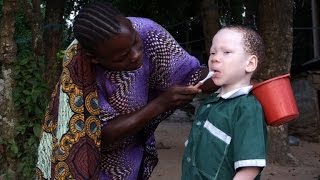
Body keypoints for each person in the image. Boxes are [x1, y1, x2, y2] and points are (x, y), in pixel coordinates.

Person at [35, 1, 216, 180]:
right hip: (92, 165)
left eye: (135, 42)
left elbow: (192, 75)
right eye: (122, 57)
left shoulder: (149, 33)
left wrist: (231, 71)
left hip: (131, 158)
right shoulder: (79, 71)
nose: (136, 55)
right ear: (95, 58)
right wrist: (160, 104)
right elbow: (98, 135)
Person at [181, 25, 268, 180]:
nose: (214, 58)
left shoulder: (247, 108)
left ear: (250, 64)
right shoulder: (210, 101)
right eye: (212, 53)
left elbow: (249, 170)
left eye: (226, 52)